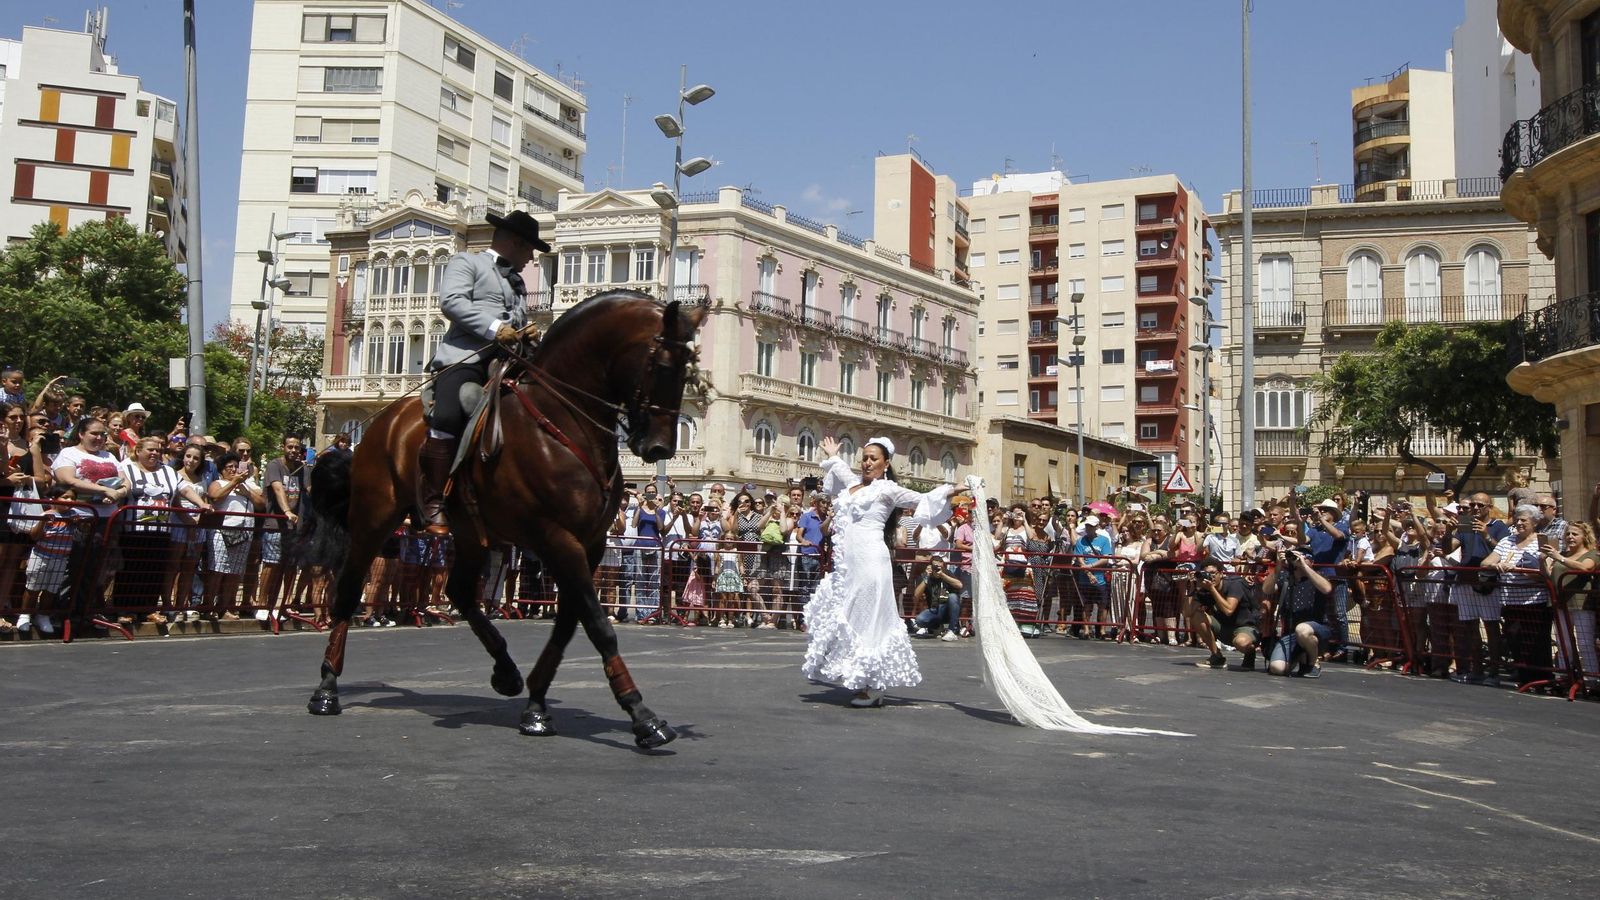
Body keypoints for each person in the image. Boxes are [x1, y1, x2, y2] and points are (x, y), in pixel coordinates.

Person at [417, 210, 549, 535]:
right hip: (466, 358)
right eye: (529, 249)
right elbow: (451, 302)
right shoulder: (467, 262)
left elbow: (514, 323)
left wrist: (525, 331)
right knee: (450, 412)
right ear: (515, 243)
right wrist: (495, 328)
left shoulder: (516, 282)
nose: (531, 258)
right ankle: (434, 501)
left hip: (511, 361)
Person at [801, 435, 958, 708]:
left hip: (872, 562)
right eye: (864, 458)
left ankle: (874, 686)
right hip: (850, 565)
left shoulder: (888, 490)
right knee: (852, 618)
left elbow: (924, 498)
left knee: (871, 620)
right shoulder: (852, 486)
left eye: (873, 458)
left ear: (886, 464)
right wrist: (832, 453)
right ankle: (864, 679)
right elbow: (838, 466)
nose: (867, 462)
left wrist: (959, 488)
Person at [1190, 560, 1261, 670]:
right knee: (1197, 616)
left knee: (1241, 643)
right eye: (1207, 574)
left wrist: (1212, 589)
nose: (1211, 577)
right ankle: (1217, 656)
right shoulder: (1203, 589)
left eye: (1213, 573)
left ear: (1221, 574)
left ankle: (1250, 653)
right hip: (1223, 628)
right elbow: (1187, 612)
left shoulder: (1234, 585)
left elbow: (1229, 610)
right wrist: (1193, 587)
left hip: (1244, 627)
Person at [911, 553, 964, 641]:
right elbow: (916, 595)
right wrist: (927, 577)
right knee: (920, 620)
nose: (938, 569)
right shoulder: (925, 576)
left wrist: (943, 575)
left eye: (940, 567)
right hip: (934, 610)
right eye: (935, 567)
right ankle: (937, 627)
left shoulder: (946, 573)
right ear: (930, 566)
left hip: (947, 609)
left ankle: (952, 631)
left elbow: (959, 585)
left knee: (953, 597)